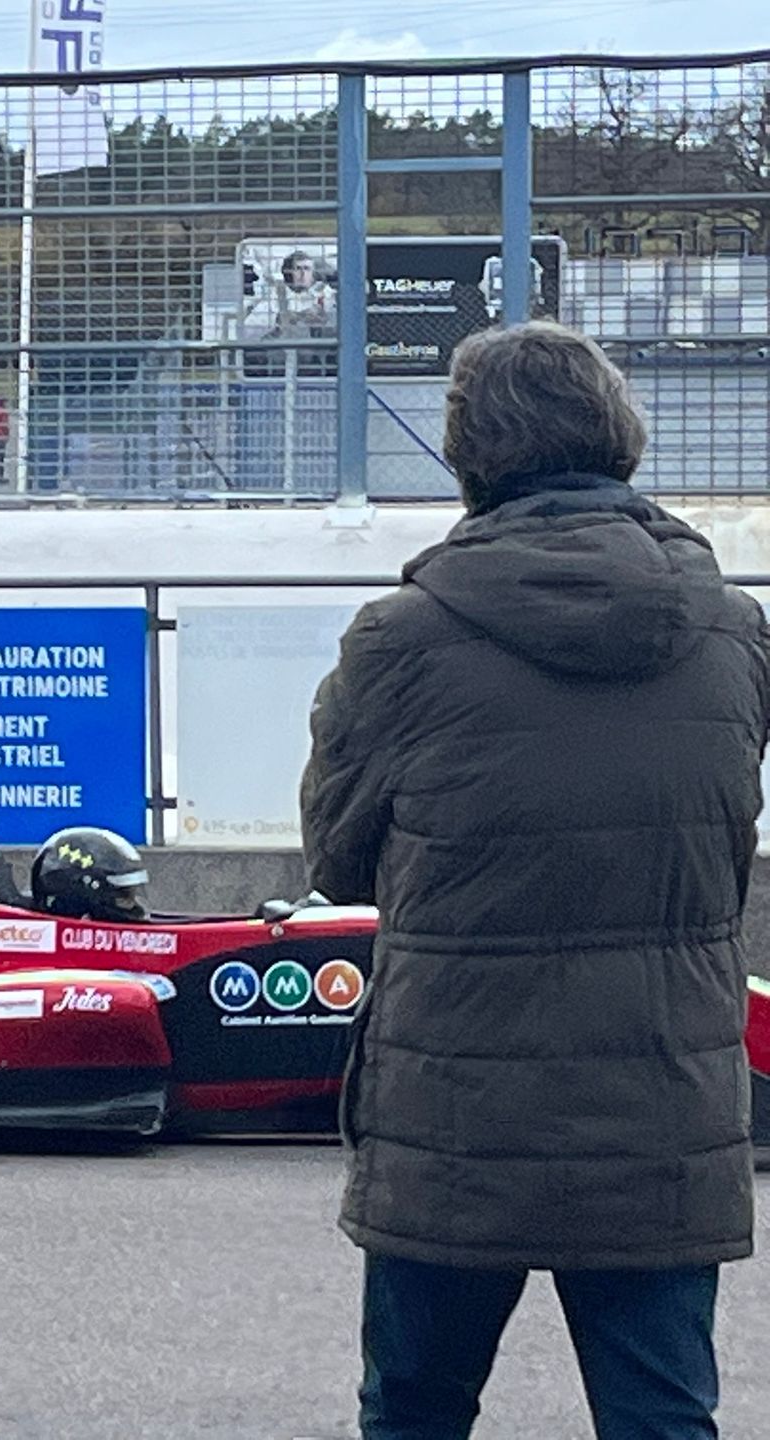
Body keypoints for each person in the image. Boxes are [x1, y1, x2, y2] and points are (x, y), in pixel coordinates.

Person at [299, 321, 769, 1439]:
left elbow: (336, 860)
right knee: (663, 1418)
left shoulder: (400, 638)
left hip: (453, 1109)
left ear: (469, 456)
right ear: (621, 440)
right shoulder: (735, 631)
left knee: (415, 1410)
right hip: (663, 1100)